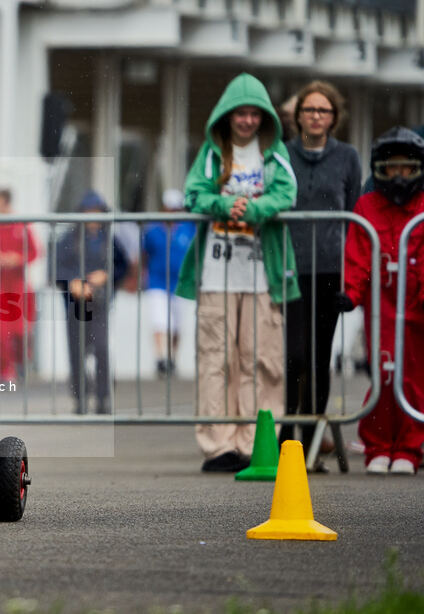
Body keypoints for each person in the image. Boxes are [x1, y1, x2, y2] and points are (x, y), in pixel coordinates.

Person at [175, 73, 300, 473]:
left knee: (260, 360)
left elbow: (287, 194)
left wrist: (257, 209)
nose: (246, 121)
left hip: (264, 274)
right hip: (215, 274)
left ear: (264, 118)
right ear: (226, 116)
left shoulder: (275, 153)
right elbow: (193, 192)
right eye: (240, 113)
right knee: (216, 359)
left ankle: (256, 442)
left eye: (254, 114)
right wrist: (223, 205)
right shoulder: (212, 154)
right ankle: (219, 445)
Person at [280, 81, 362, 466]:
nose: (316, 116)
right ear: (297, 116)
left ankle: (312, 442)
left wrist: (353, 278)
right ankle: (288, 433)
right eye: (309, 110)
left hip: (330, 267)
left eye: (323, 111)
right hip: (291, 267)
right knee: (295, 354)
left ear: (334, 117)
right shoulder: (281, 154)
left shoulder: (347, 157)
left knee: (318, 357)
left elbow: (356, 213)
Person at [340, 126, 424, 475]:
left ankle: (408, 447)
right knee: (385, 371)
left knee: (413, 376)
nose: (399, 175)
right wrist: (350, 291)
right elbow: (358, 253)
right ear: (381, 168)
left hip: (418, 303)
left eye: (407, 167)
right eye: (392, 167)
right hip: (383, 303)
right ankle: (378, 444)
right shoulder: (367, 204)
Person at [55, 190, 129, 414]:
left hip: (99, 304)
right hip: (75, 305)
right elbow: (58, 268)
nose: (93, 217)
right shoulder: (69, 238)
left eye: (97, 212)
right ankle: (80, 399)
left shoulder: (109, 240)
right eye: (89, 212)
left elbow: (121, 266)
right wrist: (73, 282)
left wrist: (105, 275)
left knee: (101, 349)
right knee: (76, 352)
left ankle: (102, 398)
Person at [0, 188, 40, 382]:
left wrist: (17, 259)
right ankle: (5, 370)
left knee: (20, 328)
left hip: (18, 283)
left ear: (5, 202)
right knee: (1, 330)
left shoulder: (21, 226)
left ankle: (21, 361)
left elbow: (34, 252)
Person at [141, 188, 196, 377]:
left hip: (180, 283)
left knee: (177, 325)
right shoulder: (153, 230)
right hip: (157, 281)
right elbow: (144, 254)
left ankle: (172, 358)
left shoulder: (189, 229)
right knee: (160, 321)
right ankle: (160, 358)